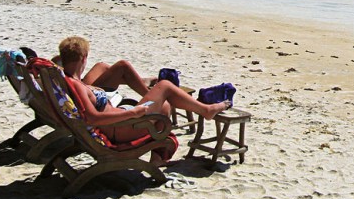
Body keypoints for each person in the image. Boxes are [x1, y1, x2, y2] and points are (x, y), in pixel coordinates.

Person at [57, 36, 231, 164]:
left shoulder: (66, 80)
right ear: (83, 58)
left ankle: (157, 160)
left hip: (119, 123)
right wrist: (132, 112)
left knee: (164, 105)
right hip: (121, 128)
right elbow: (92, 118)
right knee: (165, 86)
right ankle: (206, 110)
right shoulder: (76, 86)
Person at [58, 36, 156, 97]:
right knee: (123, 66)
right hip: (86, 93)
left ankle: (141, 81)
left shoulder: (56, 73)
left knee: (101, 66)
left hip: (78, 87)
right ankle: (150, 97)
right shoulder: (75, 83)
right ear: (84, 59)